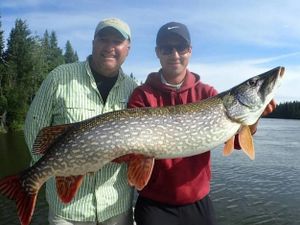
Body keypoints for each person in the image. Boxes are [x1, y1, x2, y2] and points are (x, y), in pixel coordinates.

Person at [127, 22, 276, 225]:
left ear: (189, 51)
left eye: (180, 48)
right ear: (157, 52)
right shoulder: (142, 94)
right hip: (155, 205)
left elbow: (237, 143)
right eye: (167, 48)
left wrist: (255, 117)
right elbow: (131, 151)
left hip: (198, 202)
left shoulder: (208, 94)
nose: (175, 54)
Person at [24, 18, 137, 225]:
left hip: (116, 208)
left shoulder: (134, 89)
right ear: (93, 43)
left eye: (117, 42)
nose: (110, 47)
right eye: (104, 39)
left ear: (127, 48)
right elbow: (34, 130)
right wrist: (58, 167)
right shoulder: (59, 77)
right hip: (68, 212)